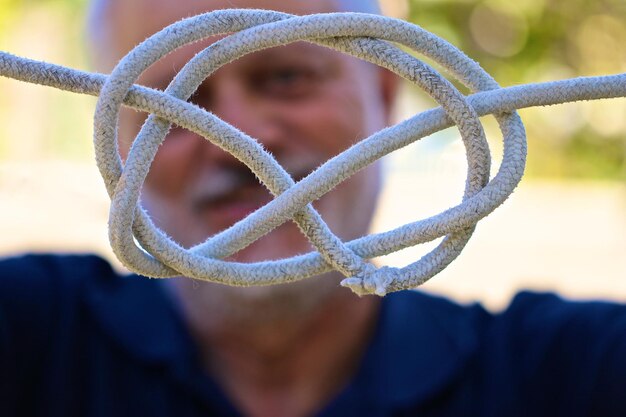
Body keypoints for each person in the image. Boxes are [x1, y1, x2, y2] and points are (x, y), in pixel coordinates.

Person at [1, 0, 625, 416]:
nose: (241, 138)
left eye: (284, 77)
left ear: (384, 95)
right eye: (173, 101)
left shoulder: (570, 374)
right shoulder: (28, 337)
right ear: (114, 138)